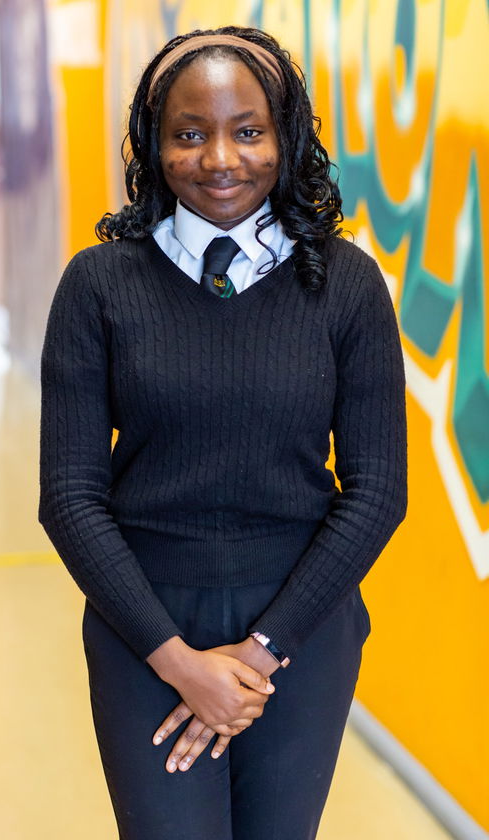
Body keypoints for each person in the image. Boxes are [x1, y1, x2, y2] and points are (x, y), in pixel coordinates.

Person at [38, 25, 407, 840]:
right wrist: (176, 661)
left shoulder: (345, 285)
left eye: (248, 131)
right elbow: (69, 496)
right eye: (189, 135)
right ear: (152, 146)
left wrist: (258, 654)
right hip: (145, 621)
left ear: (287, 136)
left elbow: (378, 492)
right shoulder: (100, 285)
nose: (220, 160)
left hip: (301, 628)